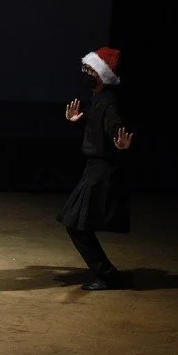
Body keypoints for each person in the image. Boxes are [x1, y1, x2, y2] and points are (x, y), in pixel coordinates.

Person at [57, 46, 133, 291]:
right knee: (77, 224)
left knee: (76, 224)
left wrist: (120, 143)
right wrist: (76, 122)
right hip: (93, 168)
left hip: (101, 169)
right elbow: (96, 132)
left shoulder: (107, 103)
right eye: (85, 68)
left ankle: (109, 276)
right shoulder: (96, 100)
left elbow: (115, 128)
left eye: (89, 69)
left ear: (101, 75)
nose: (85, 73)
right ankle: (108, 274)